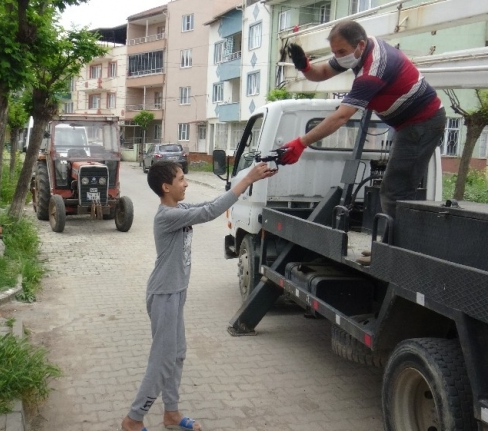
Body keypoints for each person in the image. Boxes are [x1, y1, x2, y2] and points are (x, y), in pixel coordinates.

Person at [120, 161, 276, 431]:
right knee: (163, 358)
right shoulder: (166, 216)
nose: (186, 183)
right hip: (164, 295)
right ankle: (133, 419)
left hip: (176, 293)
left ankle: (171, 413)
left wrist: (246, 175)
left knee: (177, 354)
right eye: (181, 179)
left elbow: (211, 202)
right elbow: (211, 212)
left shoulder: (179, 208)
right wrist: (248, 180)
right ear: (166, 187)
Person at [280, 20, 446, 220]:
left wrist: (302, 142)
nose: (338, 57)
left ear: (359, 45)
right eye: (334, 52)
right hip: (410, 124)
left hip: (423, 123)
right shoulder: (360, 49)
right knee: (395, 188)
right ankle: (391, 243)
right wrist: (305, 66)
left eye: (341, 52)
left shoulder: (374, 69)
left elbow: (341, 116)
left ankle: (395, 248)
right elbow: (322, 72)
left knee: (396, 191)